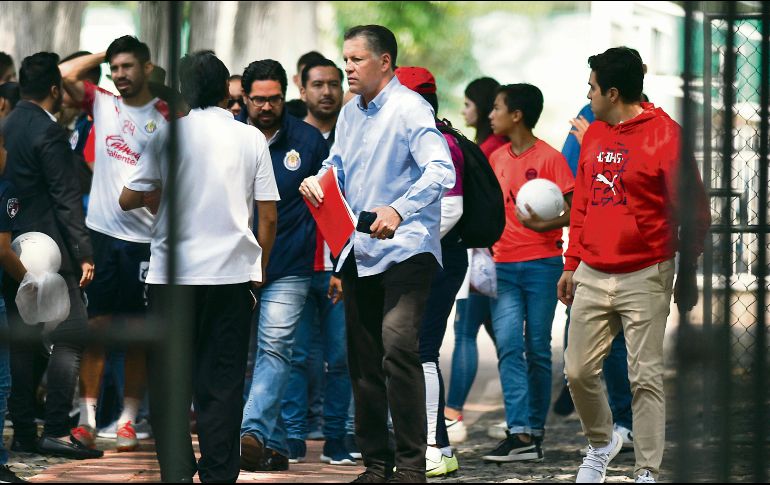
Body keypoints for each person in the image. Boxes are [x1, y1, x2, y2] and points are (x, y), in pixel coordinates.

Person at [300, 24, 455, 483]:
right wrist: (319, 180)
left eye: (356, 60)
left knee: (398, 348)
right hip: (358, 249)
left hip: (407, 249)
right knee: (362, 360)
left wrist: (399, 209)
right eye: (345, 59)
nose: (347, 68)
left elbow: (440, 171)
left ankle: (411, 466)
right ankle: (376, 464)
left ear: (384, 62)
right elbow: (337, 165)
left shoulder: (411, 108)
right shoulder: (349, 114)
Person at [119, 49, 279, 483]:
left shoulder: (168, 136)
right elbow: (267, 215)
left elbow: (127, 198)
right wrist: (257, 271)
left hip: (173, 278)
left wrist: (159, 198)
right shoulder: (250, 139)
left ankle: (175, 470)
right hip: (230, 278)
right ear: (228, 89)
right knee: (223, 384)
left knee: (172, 380)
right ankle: (218, 473)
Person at [558, 47, 710, 483]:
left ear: (612, 91)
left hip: (646, 273)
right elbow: (583, 203)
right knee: (578, 371)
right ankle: (602, 442)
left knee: (645, 377)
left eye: (591, 89)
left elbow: (695, 211)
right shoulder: (595, 134)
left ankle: (646, 469)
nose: (587, 97)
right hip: (592, 272)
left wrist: (688, 269)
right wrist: (571, 263)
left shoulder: (665, 135)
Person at [59, 35, 171, 453]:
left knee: (139, 332)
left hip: (147, 239)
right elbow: (62, 74)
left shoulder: (166, 116)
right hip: (103, 236)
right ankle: (86, 419)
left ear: (145, 67)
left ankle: (127, 420)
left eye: (127, 67)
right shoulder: (103, 102)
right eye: (114, 68)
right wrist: (104, 53)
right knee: (97, 328)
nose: (120, 75)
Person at [1, 52, 100, 460]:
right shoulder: (49, 132)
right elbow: (65, 198)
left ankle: (23, 431)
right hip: (51, 252)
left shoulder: (7, 125)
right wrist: (84, 251)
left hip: (10, 249)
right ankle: (57, 428)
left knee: (24, 340)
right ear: (56, 90)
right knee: (72, 334)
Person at [236, 58, 329, 472]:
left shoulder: (308, 141)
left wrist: (337, 265)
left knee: (276, 349)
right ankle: (269, 445)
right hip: (233, 264)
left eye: (274, 98)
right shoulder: (230, 137)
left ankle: (252, 432)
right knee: (242, 355)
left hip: (289, 264)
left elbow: (330, 206)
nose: (267, 106)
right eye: (259, 99)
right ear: (244, 97)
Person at [479, 83, 574, 464]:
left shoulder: (550, 158)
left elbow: (573, 211)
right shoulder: (496, 158)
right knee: (507, 345)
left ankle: (534, 431)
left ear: (516, 115)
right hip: (503, 267)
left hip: (542, 265)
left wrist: (543, 224)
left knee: (536, 347)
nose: (491, 114)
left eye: (497, 108)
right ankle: (519, 432)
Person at [280, 57, 356, 466]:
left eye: (333, 83)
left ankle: (337, 438)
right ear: (302, 89)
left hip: (341, 266)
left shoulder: (353, 134)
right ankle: (292, 436)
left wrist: (345, 264)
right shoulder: (291, 138)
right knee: (295, 357)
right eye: (318, 84)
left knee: (341, 358)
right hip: (295, 264)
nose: (327, 91)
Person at [394, 65, 466, 478]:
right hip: (423, 255)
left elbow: (451, 209)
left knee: (421, 350)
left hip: (436, 258)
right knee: (412, 349)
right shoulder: (420, 136)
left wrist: (403, 241)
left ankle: (435, 447)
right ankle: (428, 443)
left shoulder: (441, 142)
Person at [444, 75, 502, 443]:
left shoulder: (488, 148)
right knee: (505, 338)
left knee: (465, 331)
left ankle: (452, 415)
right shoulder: (487, 144)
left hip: (483, 254)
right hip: (492, 254)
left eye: (469, 104)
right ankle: (524, 414)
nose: (464, 111)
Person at [286, 51, 326, 119]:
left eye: (318, 77)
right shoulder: (284, 114)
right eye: (306, 77)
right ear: (296, 79)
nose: (313, 82)